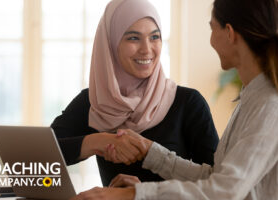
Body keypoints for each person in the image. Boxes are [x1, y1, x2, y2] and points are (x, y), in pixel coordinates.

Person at [70, 0, 278, 199]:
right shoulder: (252, 99)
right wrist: (149, 152)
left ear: (230, 33)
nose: (146, 48)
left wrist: (134, 194)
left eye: (212, 27)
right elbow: (215, 178)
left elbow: (224, 192)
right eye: (133, 38)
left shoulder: (269, 105)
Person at [51, 0, 219, 187]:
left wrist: (142, 194)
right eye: (133, 38)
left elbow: (218, 185)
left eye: (154, 37)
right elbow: (33, 157)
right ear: (111, 44)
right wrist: (98, 141)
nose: (147, 49)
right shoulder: (94, 101)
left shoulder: (188, 103)